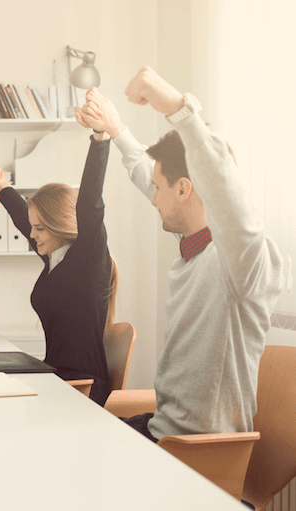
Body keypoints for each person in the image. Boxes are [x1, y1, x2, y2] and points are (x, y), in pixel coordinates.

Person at [75, 69, 286, 441]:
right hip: (160, 428)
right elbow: (148, 174)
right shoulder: (195, 248)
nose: (153, 198)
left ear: (186, 189)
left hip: (193, 450)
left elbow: (228, 196)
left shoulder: (241, 263)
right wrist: (115, 128)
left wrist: (180, 109)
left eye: (160, 188)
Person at [0, 132, 117, 406]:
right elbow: (22, 219)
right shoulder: (55, 257)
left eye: (40, 229)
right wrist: (1, 187)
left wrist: (100, 139)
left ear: (58, 225)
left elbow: (90, 203)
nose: (32, 235)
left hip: (83, 389)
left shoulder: (88, 259)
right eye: (33, 227)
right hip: (57, 379)